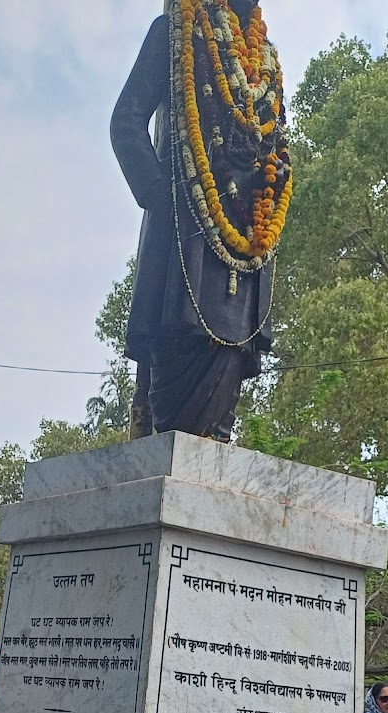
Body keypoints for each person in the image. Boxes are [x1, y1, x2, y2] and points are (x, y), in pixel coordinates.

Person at [110, 2, 290, 440]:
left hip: (245, 240)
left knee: (228, 363)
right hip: (184, 238)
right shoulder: (174, 33)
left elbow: (274, 140)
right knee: (176, 347)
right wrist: (161, 196)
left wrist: (278, 178)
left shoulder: (265, 59)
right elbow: (126, 122)